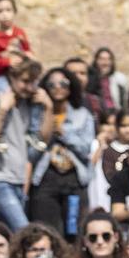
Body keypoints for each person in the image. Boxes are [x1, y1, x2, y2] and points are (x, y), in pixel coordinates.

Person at [0, 55, 42, 232]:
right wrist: (3, 110)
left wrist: (48, 107)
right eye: (24, 81)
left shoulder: (28, 101)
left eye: (33, 82)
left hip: (18, 180)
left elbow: (42, 138)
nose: (29, 87)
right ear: (11, 76)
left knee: (1, 237)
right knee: (24, 232)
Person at [29, 68, 95, 239]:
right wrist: (48, 119)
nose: (58, 88)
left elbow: (85, 149)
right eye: (52, 84)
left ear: (71, 86)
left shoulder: (83, 115)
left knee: (75, 231)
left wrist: (63, 133)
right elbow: (33, 149)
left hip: (74, 179)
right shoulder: (37, 114)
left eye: (63, 83)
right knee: (47, 232)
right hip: (46, 178)